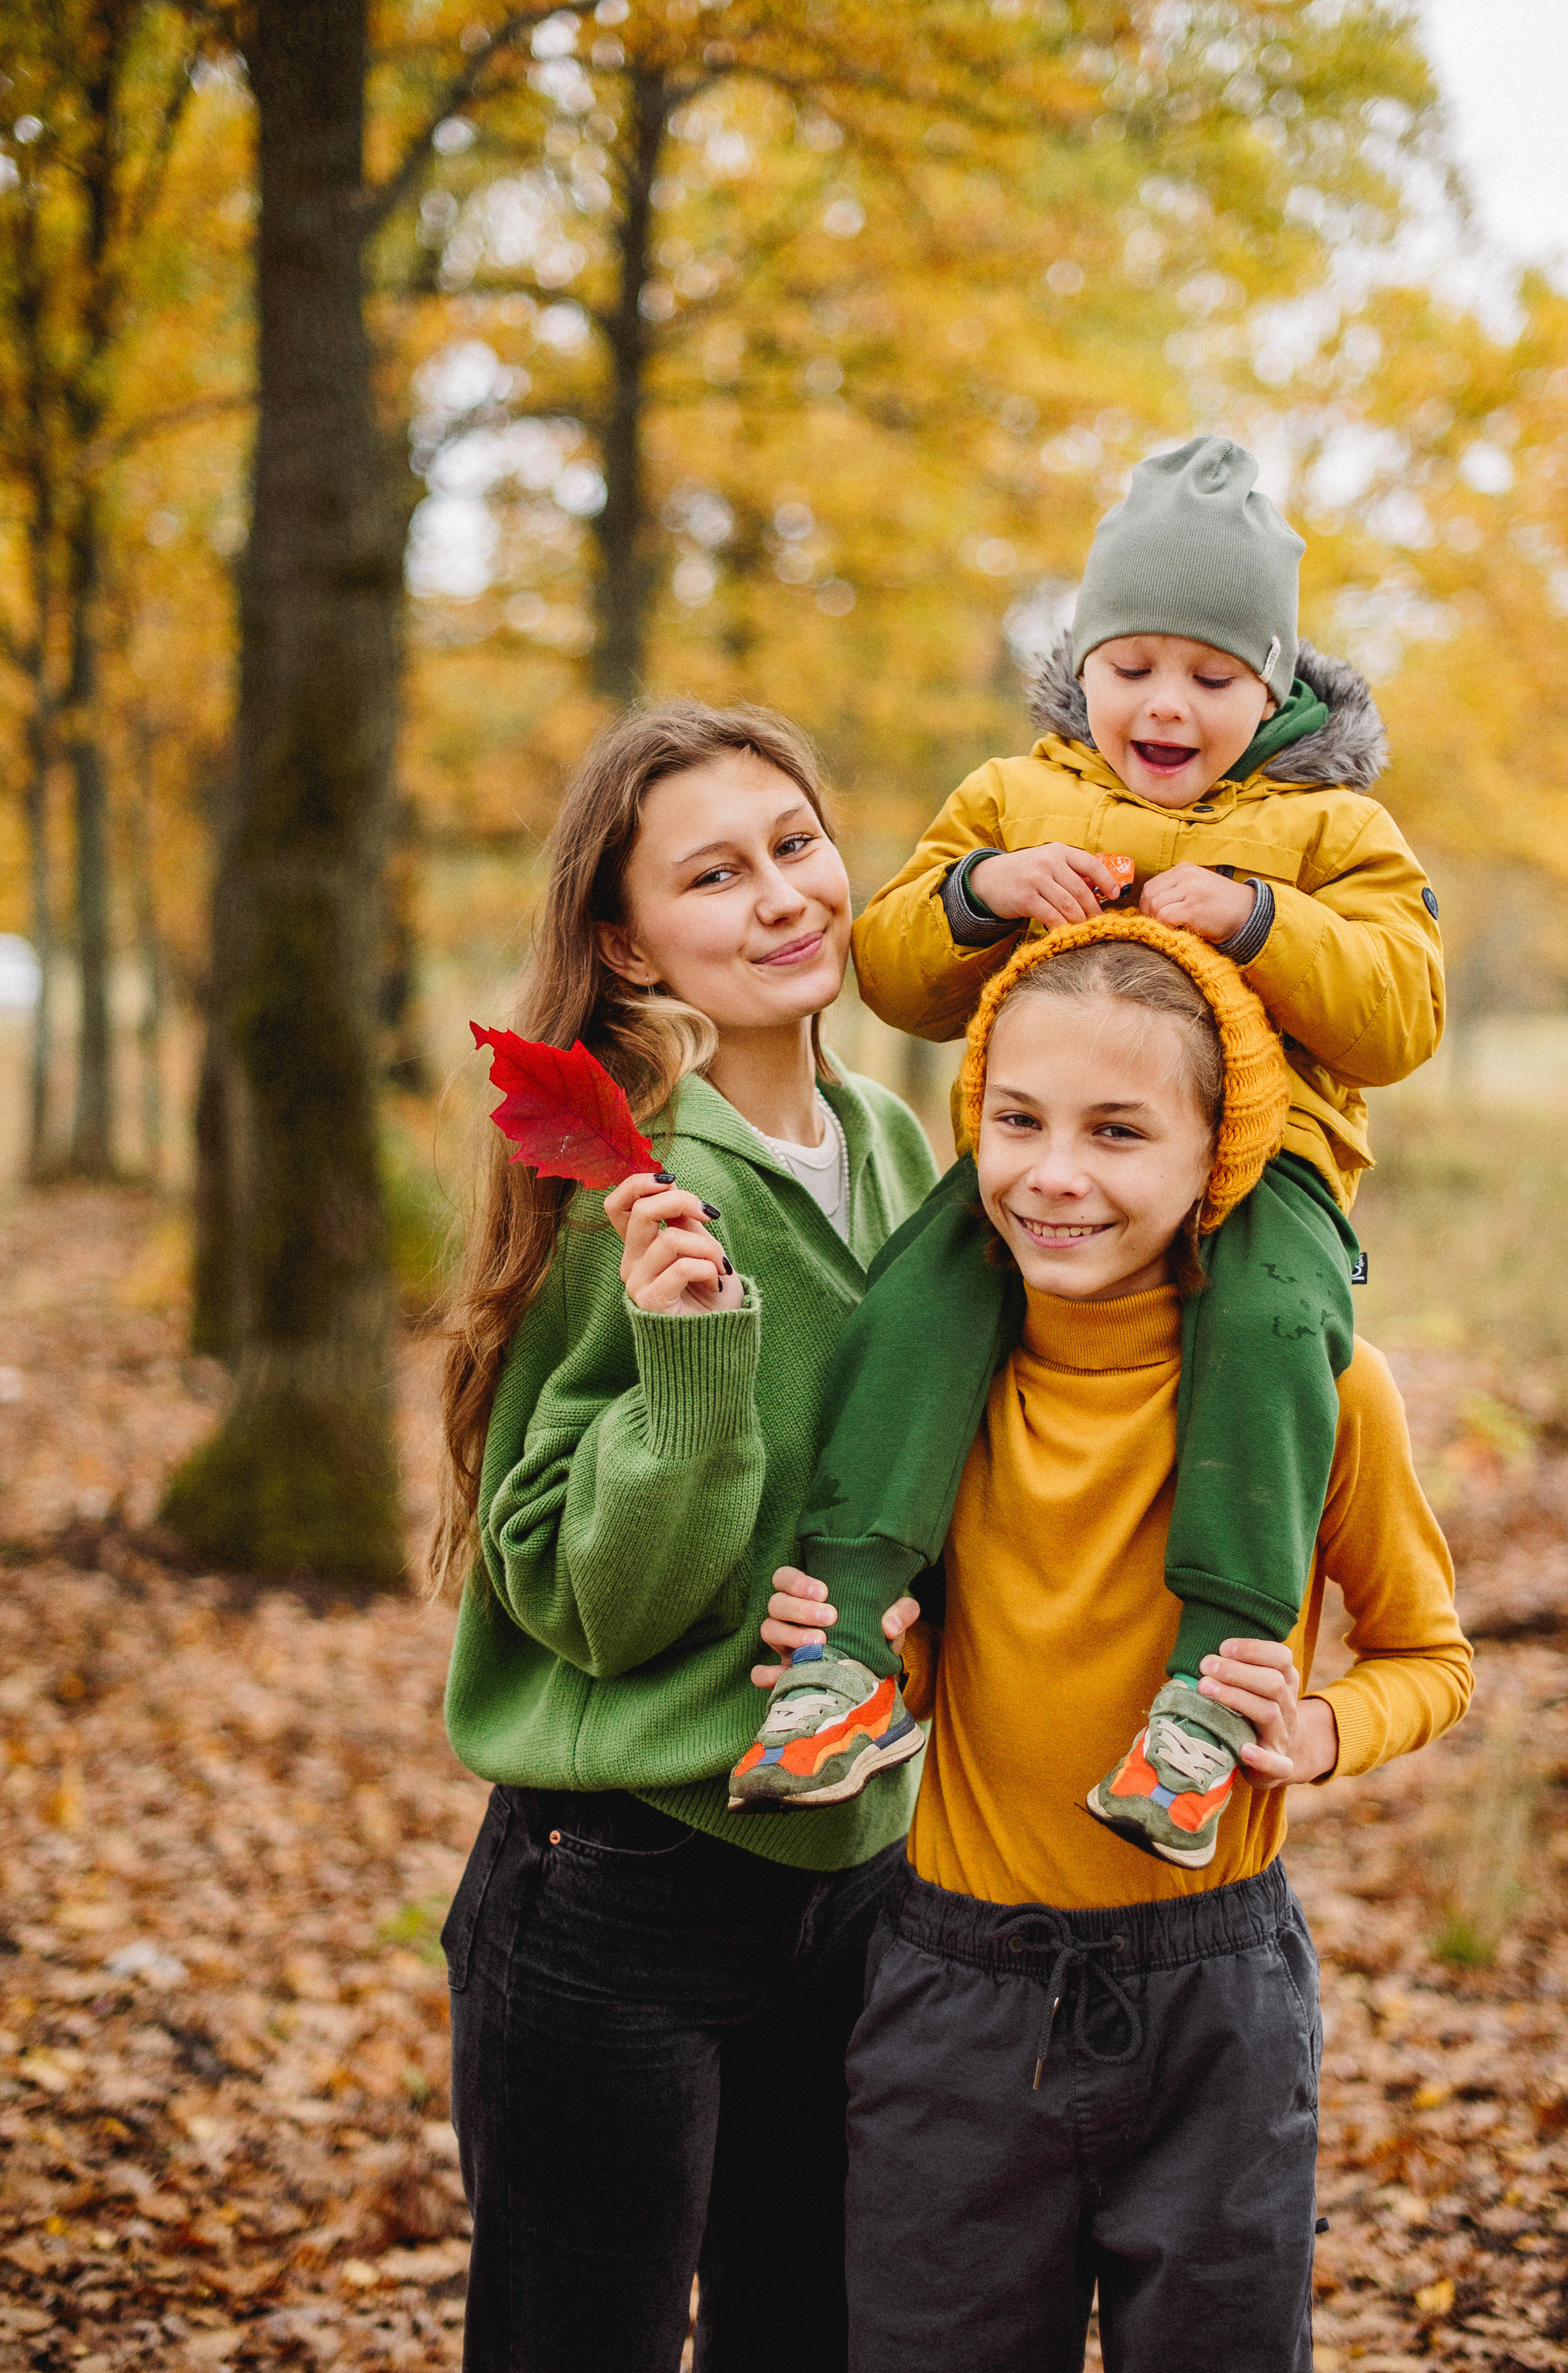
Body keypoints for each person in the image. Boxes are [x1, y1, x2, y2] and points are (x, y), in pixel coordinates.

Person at [731, 434, 1445, 1864]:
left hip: (1271, 1166)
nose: (1163, 705)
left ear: (1272, 682)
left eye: (1209, 675)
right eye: (1130, 667)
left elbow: (1400, 1008)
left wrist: (1255, 919)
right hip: (1040, 1153)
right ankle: (848, 1658)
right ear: (1082, 667)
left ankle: (1208, 1689)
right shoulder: (1012, 798)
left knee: (1271, 1331)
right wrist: (986, 893)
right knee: (919, 1301)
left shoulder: (1324, 828)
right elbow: (890, 965)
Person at [783, 913, 1473, 2371]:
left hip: (1210, 2001)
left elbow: (1430, 1655)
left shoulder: (1328, 1396)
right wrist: (851, 1650)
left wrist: (1320, 1730)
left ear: (1213, 1155)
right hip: (951, 1998)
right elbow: (927, 1650)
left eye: (1116, 1132)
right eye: (1017, 1120)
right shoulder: (927, 1388)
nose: (1052, 1175)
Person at [432, 701, 936, 2373]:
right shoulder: (629, 1194)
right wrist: (688, 1357)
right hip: (625, 1881)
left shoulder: (897, 1148)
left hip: (852, 1880)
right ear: (631, 949)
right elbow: (594, 1600)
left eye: (796, 845)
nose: (783, 895)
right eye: (714, 875)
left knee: (806, 2336)